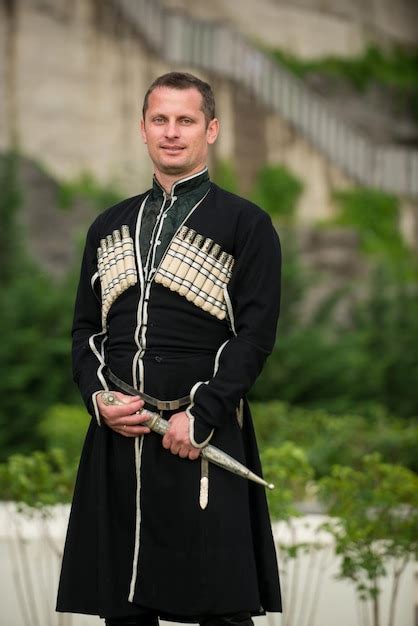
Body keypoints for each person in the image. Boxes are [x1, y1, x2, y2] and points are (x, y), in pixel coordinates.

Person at [56, 72, 282, 626]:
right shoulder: (108, 224)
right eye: (161, 120)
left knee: (222, 609)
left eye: (186, 120)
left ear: (212, 129)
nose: (172, 132)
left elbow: (253, 335)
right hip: (121, 431)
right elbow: (87, 332)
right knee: (124, 612)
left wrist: (200, 414)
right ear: (143, 129)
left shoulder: (246, 224)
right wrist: (99, 399)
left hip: (198, 431)